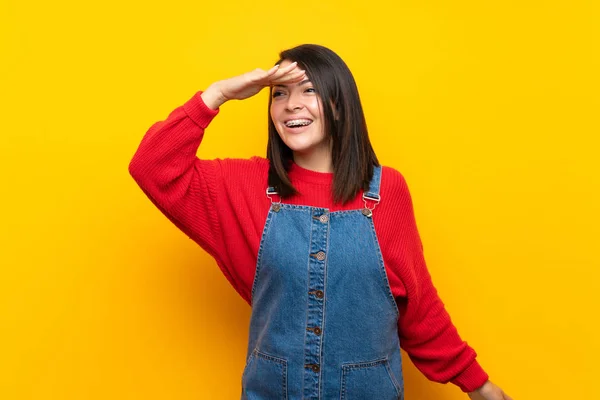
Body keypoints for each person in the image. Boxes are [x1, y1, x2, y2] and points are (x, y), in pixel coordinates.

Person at [129, 44, 512, 400]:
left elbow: (418, 306)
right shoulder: (244, 188)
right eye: (279, 93)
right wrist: (218, 94)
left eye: (308, 90)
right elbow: (152, 167)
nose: (291, 105)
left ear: (340, 105)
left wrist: (477, 385)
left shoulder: (386, 192)